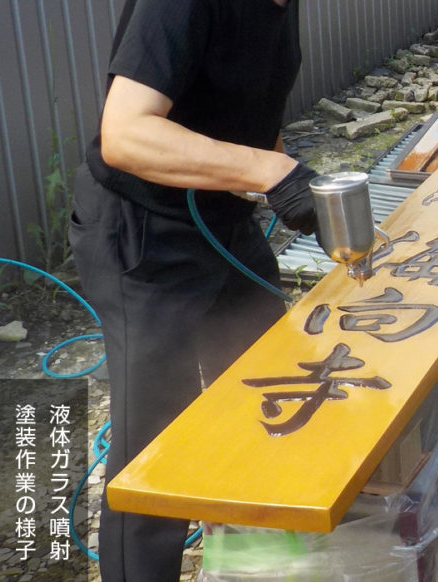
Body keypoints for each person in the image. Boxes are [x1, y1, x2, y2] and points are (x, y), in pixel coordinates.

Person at [68, 1, 317, 580]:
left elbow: (250, 111)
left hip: (222, 218)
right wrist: (271, 173)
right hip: (144, 231)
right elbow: (126, 133)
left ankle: (252, 567)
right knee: (159, 442)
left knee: (266, 391)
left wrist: (296, 187)